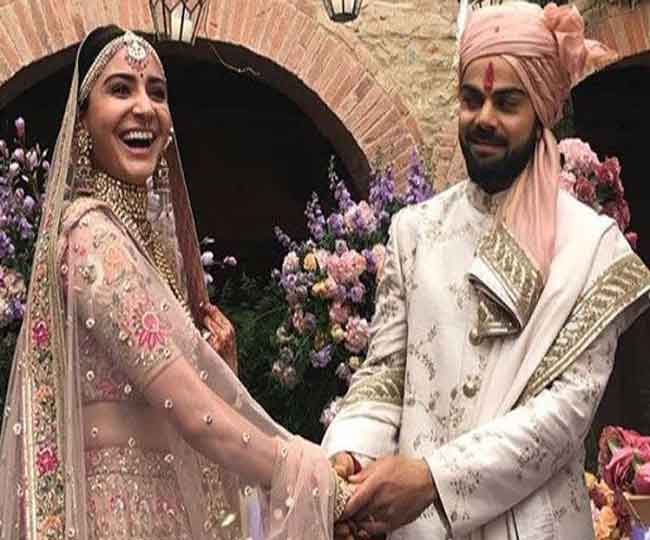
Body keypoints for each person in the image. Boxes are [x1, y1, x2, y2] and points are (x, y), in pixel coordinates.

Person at [0, 26, 353, 540]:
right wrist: (314, 479)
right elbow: (191, 410)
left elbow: (178, 405)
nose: (144, 107)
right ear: (83, 121)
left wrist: (220, 370)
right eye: (120, 89)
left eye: (157, 92)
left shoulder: (145, 247)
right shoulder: (90, 238)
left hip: (168, 508)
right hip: (114, 516)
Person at [323, 3, 650, 539]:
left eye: (507, 102)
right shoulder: (416, 231)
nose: (484, 118)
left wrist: (433, 479)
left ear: (541, 109)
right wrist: (348, 462)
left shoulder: (592, 248)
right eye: (471, 99)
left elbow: (563, 416)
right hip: (417, 528)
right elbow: (384, 375)